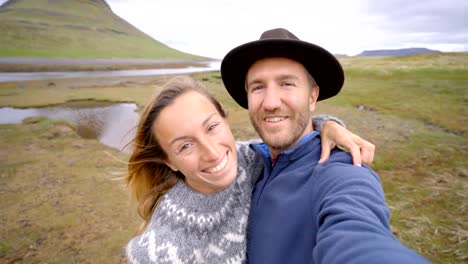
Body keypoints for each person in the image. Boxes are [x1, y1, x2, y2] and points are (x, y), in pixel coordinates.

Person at [220, 28, 429, 263]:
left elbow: (360, 238)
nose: (270, 103)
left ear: (312, 97)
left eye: (287, 84)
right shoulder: (242, 163)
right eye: (258, 87)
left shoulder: (341, 173)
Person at [125, 76, 375, 263]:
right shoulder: (161, 249)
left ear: (224, 119)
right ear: (168, 161)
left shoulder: (248, 158)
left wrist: (326, 125)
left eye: (211, 127)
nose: (212, 154)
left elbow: (291, 140)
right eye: (186, 146)